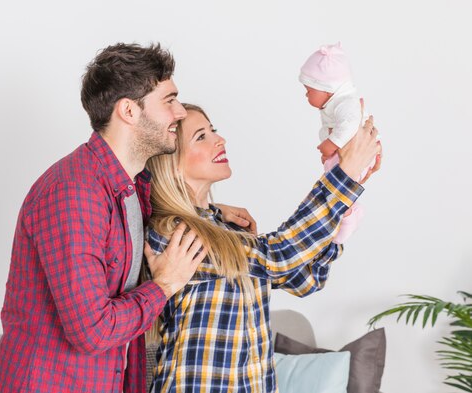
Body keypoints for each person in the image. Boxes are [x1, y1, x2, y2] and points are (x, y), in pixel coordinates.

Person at [0, 43, 257, 393]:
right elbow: (92, 331)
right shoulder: (74, 193)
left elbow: (157, 217)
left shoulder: (129, 187)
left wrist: (211, 213)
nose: (178, 113)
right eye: (169, 100)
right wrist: (164, 285)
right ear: (129, 111)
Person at [144, 103, 381, 393]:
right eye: (201, 136)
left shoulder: (226, 228)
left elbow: (304, 280)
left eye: (213, 130)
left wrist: (337, 228)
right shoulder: (175, 233)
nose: (220, 140)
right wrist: (344, 175)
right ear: (172, 164)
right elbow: (280, 256)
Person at [299, 42, 377, 242]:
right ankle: (348, 213)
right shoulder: (336, 102)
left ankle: (348, 216)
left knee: (334, 186)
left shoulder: (346, 102)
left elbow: (350, 124)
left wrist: (331, 144)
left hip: (359, 153)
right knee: (331, 187)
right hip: (354, 154)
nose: (306, 94)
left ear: (326, 89)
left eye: (309, 90)